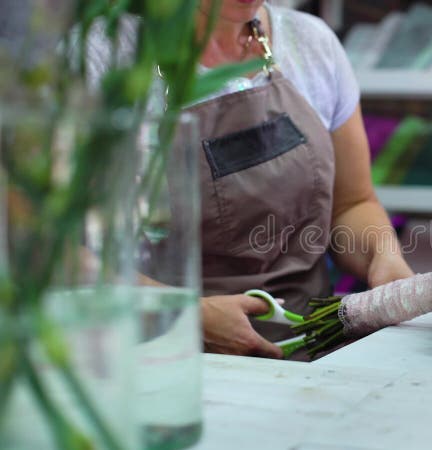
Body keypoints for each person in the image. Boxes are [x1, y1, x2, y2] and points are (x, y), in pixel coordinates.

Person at [91, 1, 414, 359]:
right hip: (165, 361)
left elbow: (351, 204)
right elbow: (55, 251)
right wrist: (186, 315)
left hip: (312, 352)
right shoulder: (103, 59)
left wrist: (382, 257)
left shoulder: (310, 43)